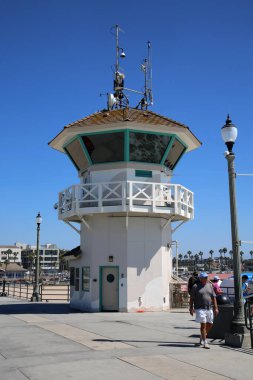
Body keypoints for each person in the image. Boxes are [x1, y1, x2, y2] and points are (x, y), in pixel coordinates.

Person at [189, 272, 219, 349]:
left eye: (206, 277)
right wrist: (191, 308)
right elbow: (192, 298)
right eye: (204, 277)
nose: (206, 279)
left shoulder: (210, 285)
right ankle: (205, 342)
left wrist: (215, 307)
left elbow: (214, 297)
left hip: (209, 308)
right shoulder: (195, 287)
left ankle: (202, 336)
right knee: (203, 324)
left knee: (210, 324)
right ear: (200, 278)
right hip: (199, 308)